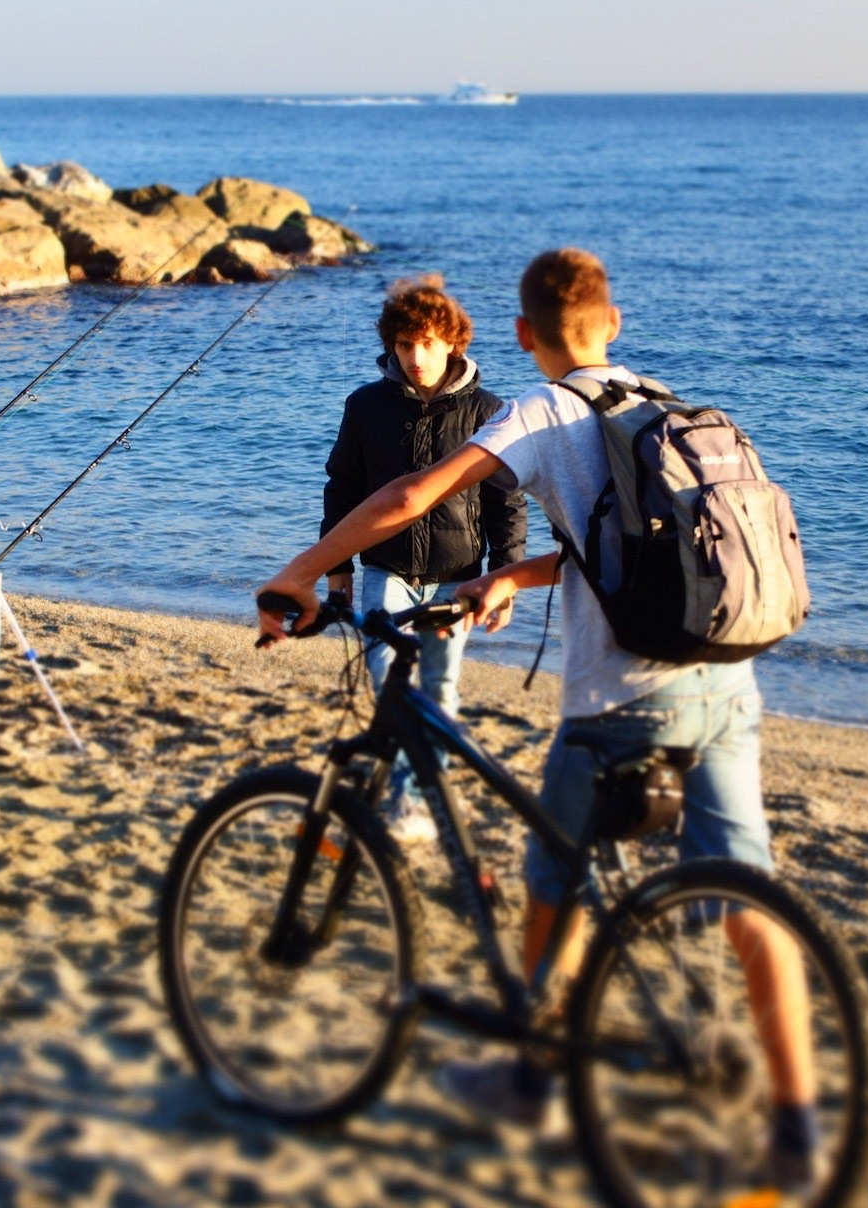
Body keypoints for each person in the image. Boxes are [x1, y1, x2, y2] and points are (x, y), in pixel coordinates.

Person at [257, 248, 820, 1185]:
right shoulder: (667, 405)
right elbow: (625, 549)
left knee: (548, 879)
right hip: (725, 685)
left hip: (620, 704)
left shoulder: (548, 410)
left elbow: (407, 497)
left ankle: (530, 1075)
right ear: (616, 321)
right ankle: (798, 1125)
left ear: (522, 337)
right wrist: (504, 577)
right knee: (743, 897)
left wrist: (301, 572)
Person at [321, 275, 527, 840]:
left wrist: (504, 575)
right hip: (384, 568)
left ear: (453, 343)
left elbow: (506, 501)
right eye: (406, 345)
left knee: (439, 687)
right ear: (392, 345)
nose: (416, 357)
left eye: (429, 344)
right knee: (385, 674)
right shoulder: (364, 405)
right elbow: (342, 486)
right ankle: (402, 790)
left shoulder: (489, 411)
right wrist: (336, 567)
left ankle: (414, 799)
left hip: (455, 578)